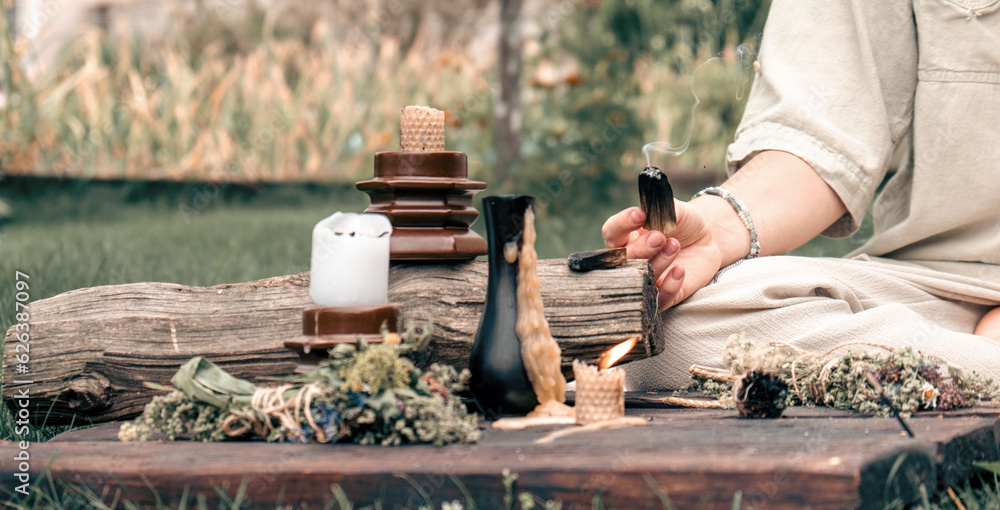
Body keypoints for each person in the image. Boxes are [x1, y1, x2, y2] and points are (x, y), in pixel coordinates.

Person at [605, 0, 1000, 390]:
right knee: (675, 329)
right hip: (937, 290)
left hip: (934, 330)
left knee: (660, 355)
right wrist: (713, 232)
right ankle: (969, 370)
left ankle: (954, 369)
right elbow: (816, 136)